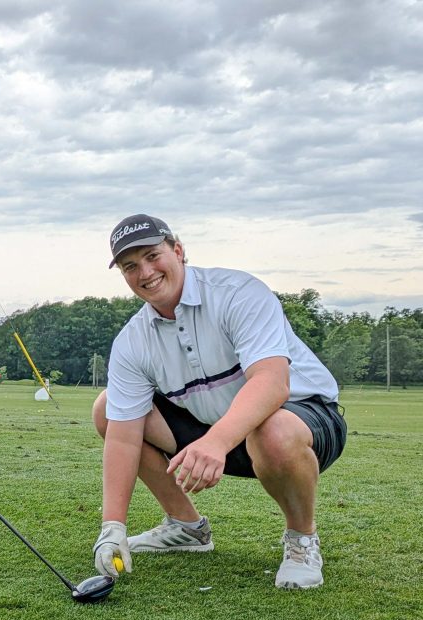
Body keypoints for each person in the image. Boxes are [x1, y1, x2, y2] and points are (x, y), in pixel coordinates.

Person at [91, 214, 347, 590]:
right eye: (131, 266)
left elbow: (272, 383)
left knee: (272, 429)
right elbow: (125, 435)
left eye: (152, 255)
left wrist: (215, 442)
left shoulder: (236, 292)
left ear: (178, 251)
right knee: (107, 408)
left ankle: (302, 539)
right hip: (216, 432)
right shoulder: (132, 340)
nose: (145, 272)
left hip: (303, 419)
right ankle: (186, 528)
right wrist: (112, 527)